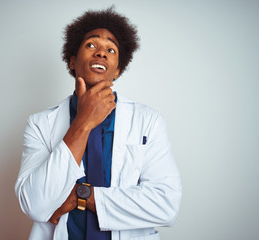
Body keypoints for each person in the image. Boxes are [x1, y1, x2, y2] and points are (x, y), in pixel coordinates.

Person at [15, 7, 182, 240]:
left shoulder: (148, 121)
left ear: (117, 70)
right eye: (91, 45)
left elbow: (166, 205)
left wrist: (82, 195)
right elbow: (34, 203)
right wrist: (83, 121)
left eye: (110, 50)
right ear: (72, 61)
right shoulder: (40, 124)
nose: (101, 53)